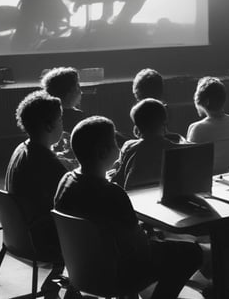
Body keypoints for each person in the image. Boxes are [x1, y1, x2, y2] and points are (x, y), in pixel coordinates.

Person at [54, 116, 202, 299]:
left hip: (82, 269)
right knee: (191, 253)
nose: (118, 147)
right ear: (102, 152)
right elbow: (140, 248)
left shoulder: (66, 181)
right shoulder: (112, 193)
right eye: (115, 142)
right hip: (117, 275)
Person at [5, 91, 67, 294]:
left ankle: (60, 282)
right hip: (41, 241)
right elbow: (72, 193)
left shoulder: (23, 149)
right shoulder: (46, 161)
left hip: (18, 235)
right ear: (49, 125)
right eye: (60, 120)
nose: (62, 125)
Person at [111, 99, 178, 189]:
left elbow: (118, 181)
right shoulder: (175, 149)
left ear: (137, 126)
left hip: (134, 198)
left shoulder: (129, 147)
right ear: (164, 121)